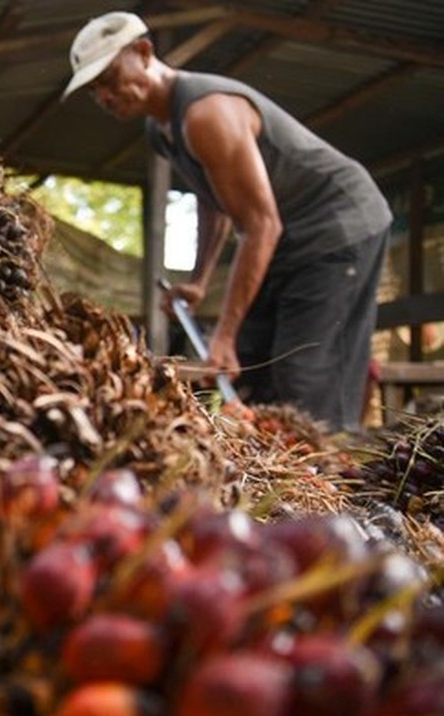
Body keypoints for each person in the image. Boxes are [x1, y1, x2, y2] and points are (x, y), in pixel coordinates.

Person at [62, 11, 391, 432]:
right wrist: (200, 280)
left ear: (144, 53)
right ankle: (275, 482)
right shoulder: (161, 129)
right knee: (252, 369)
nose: (105, 96)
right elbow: (213, 202)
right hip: (285, 238)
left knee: (303, 376)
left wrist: (224, 333)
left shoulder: (206, 113)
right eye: (95, 91)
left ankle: (330, 482)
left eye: (109, 79)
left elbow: (261, 225)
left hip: (338, 224)